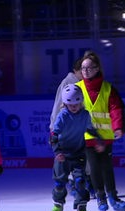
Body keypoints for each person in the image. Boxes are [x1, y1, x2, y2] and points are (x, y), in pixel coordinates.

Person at [76, 50, 125, 211]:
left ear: (97, 68)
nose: (85, 71)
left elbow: (116, 108)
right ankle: (100, 197)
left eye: (89, 68)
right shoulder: (77, 88)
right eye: (83, 68)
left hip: (105, 137)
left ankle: (113, 196)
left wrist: (118, 127)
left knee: (107, 167)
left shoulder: (107, 88)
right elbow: (69, 111)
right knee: (94, 168)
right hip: (86, 137)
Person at [47, 84, 105, 211]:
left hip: (78, 155)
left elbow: (90, 129)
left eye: (76, 104)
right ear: (65, 103)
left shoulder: (85, 115)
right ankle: (57, 206)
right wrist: (57, 151)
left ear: (81, 102)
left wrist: (98, 139)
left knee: (80, 182)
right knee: (60, 183)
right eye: (70, 104)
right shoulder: (63, 116)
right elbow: (53, 136)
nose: (73, 107)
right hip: (62, 156)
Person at [49, 57, 96, 198]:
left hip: (77, 126)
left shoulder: (80, 83)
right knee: (68, 158)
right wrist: (55, 128)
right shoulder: (69, 83)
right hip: (65, 129)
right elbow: (59, 107)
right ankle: (73, 185)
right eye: (82, 70)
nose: (86, 73)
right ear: (76, 70)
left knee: (81, 156)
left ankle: (84, 181)